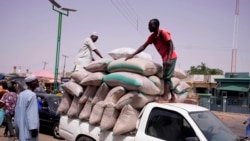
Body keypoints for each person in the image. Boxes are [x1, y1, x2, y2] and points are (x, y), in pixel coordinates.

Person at [125, 18, 177, 102]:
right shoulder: (152, 37)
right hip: (165, 58)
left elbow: (171, 44)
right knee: (166, 77)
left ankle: (165, 97)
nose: (148, 27)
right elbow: (143, 46)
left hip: (171, 57)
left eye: (150, 25)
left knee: (167, 77)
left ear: (156, 26)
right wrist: (133, 54)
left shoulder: (163, 33)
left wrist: (169, 58)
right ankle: (173, 97)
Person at [14, 75, 40, 141]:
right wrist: (33, 128)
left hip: (20, 127)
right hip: (29, 130)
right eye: (36, 81)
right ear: (32, 83)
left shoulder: (21, 94)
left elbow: (17, 112)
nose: (38, 83)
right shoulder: (32, 95)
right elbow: (31, 113)